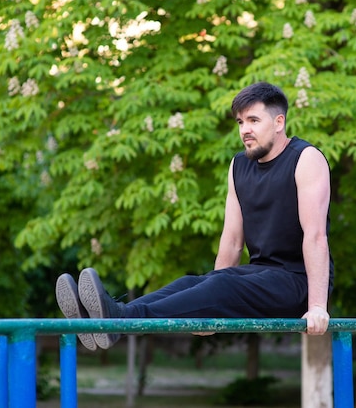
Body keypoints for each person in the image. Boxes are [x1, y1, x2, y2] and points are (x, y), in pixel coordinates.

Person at [55, 82, 334, 351]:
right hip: (258, 277)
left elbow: (316, 236)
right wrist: (212, 309)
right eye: (240, 122)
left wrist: (317, 307)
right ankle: (111, 317)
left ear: (278, 122)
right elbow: (233, 240)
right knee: (195, 282)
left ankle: (117, 319)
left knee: (221, 283)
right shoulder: (239, 166)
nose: (245, 130)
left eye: (253, 120)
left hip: (297, 284)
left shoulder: (306, 158)